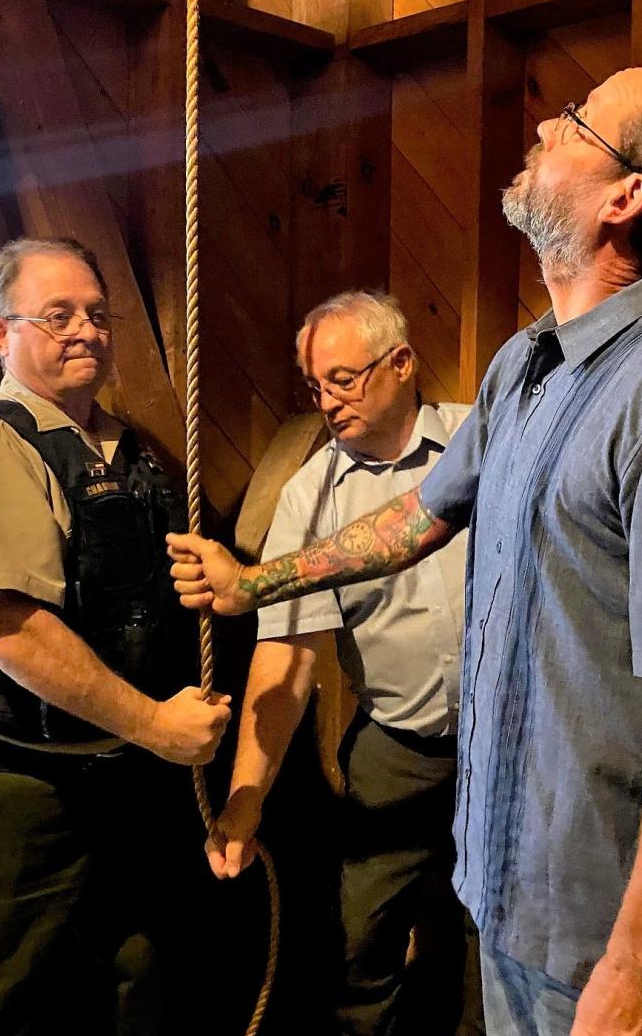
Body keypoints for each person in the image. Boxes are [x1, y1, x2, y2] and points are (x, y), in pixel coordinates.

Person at [167, 58, 642, 1036]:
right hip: (504, 886)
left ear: (625, 196)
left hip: (601, 940)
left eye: (580, 120)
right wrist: (259, 582)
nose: (547, 124)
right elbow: (415, 520)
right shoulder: (527, 366)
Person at [0, 237, 231, 1036]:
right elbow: (9, 631)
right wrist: (157, 727)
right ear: (0, 334)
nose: (86, 330)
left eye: (97, 314)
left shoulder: (131, 452)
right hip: (11, 802)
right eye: (58, 314)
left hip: (124, 792)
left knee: (121, 998)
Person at [205, 291, 483, 1035]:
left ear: (401, 364)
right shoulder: (311, 495)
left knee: (489, 947)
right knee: (358, 948)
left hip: (508, 749)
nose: (328, 401)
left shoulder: (479, 443)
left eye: (344, 379)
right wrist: (246, 796)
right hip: (397, 747)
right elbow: (287, 661)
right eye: (316, 385)